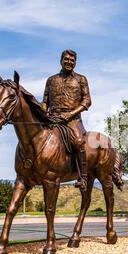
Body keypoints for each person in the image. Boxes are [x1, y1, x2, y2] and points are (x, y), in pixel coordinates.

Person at [42, 49, 91, 191]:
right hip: (52, 117)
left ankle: (83, 178)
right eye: (67, 59)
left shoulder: (81, 79)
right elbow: (45, 101)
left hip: (73, 119)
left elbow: (87, 101)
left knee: (78, 141)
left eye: (72, 60)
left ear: (75, 62)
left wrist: (71, 114)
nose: (69, 62)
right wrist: (42, 112)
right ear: (61, 60)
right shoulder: (51, 80)